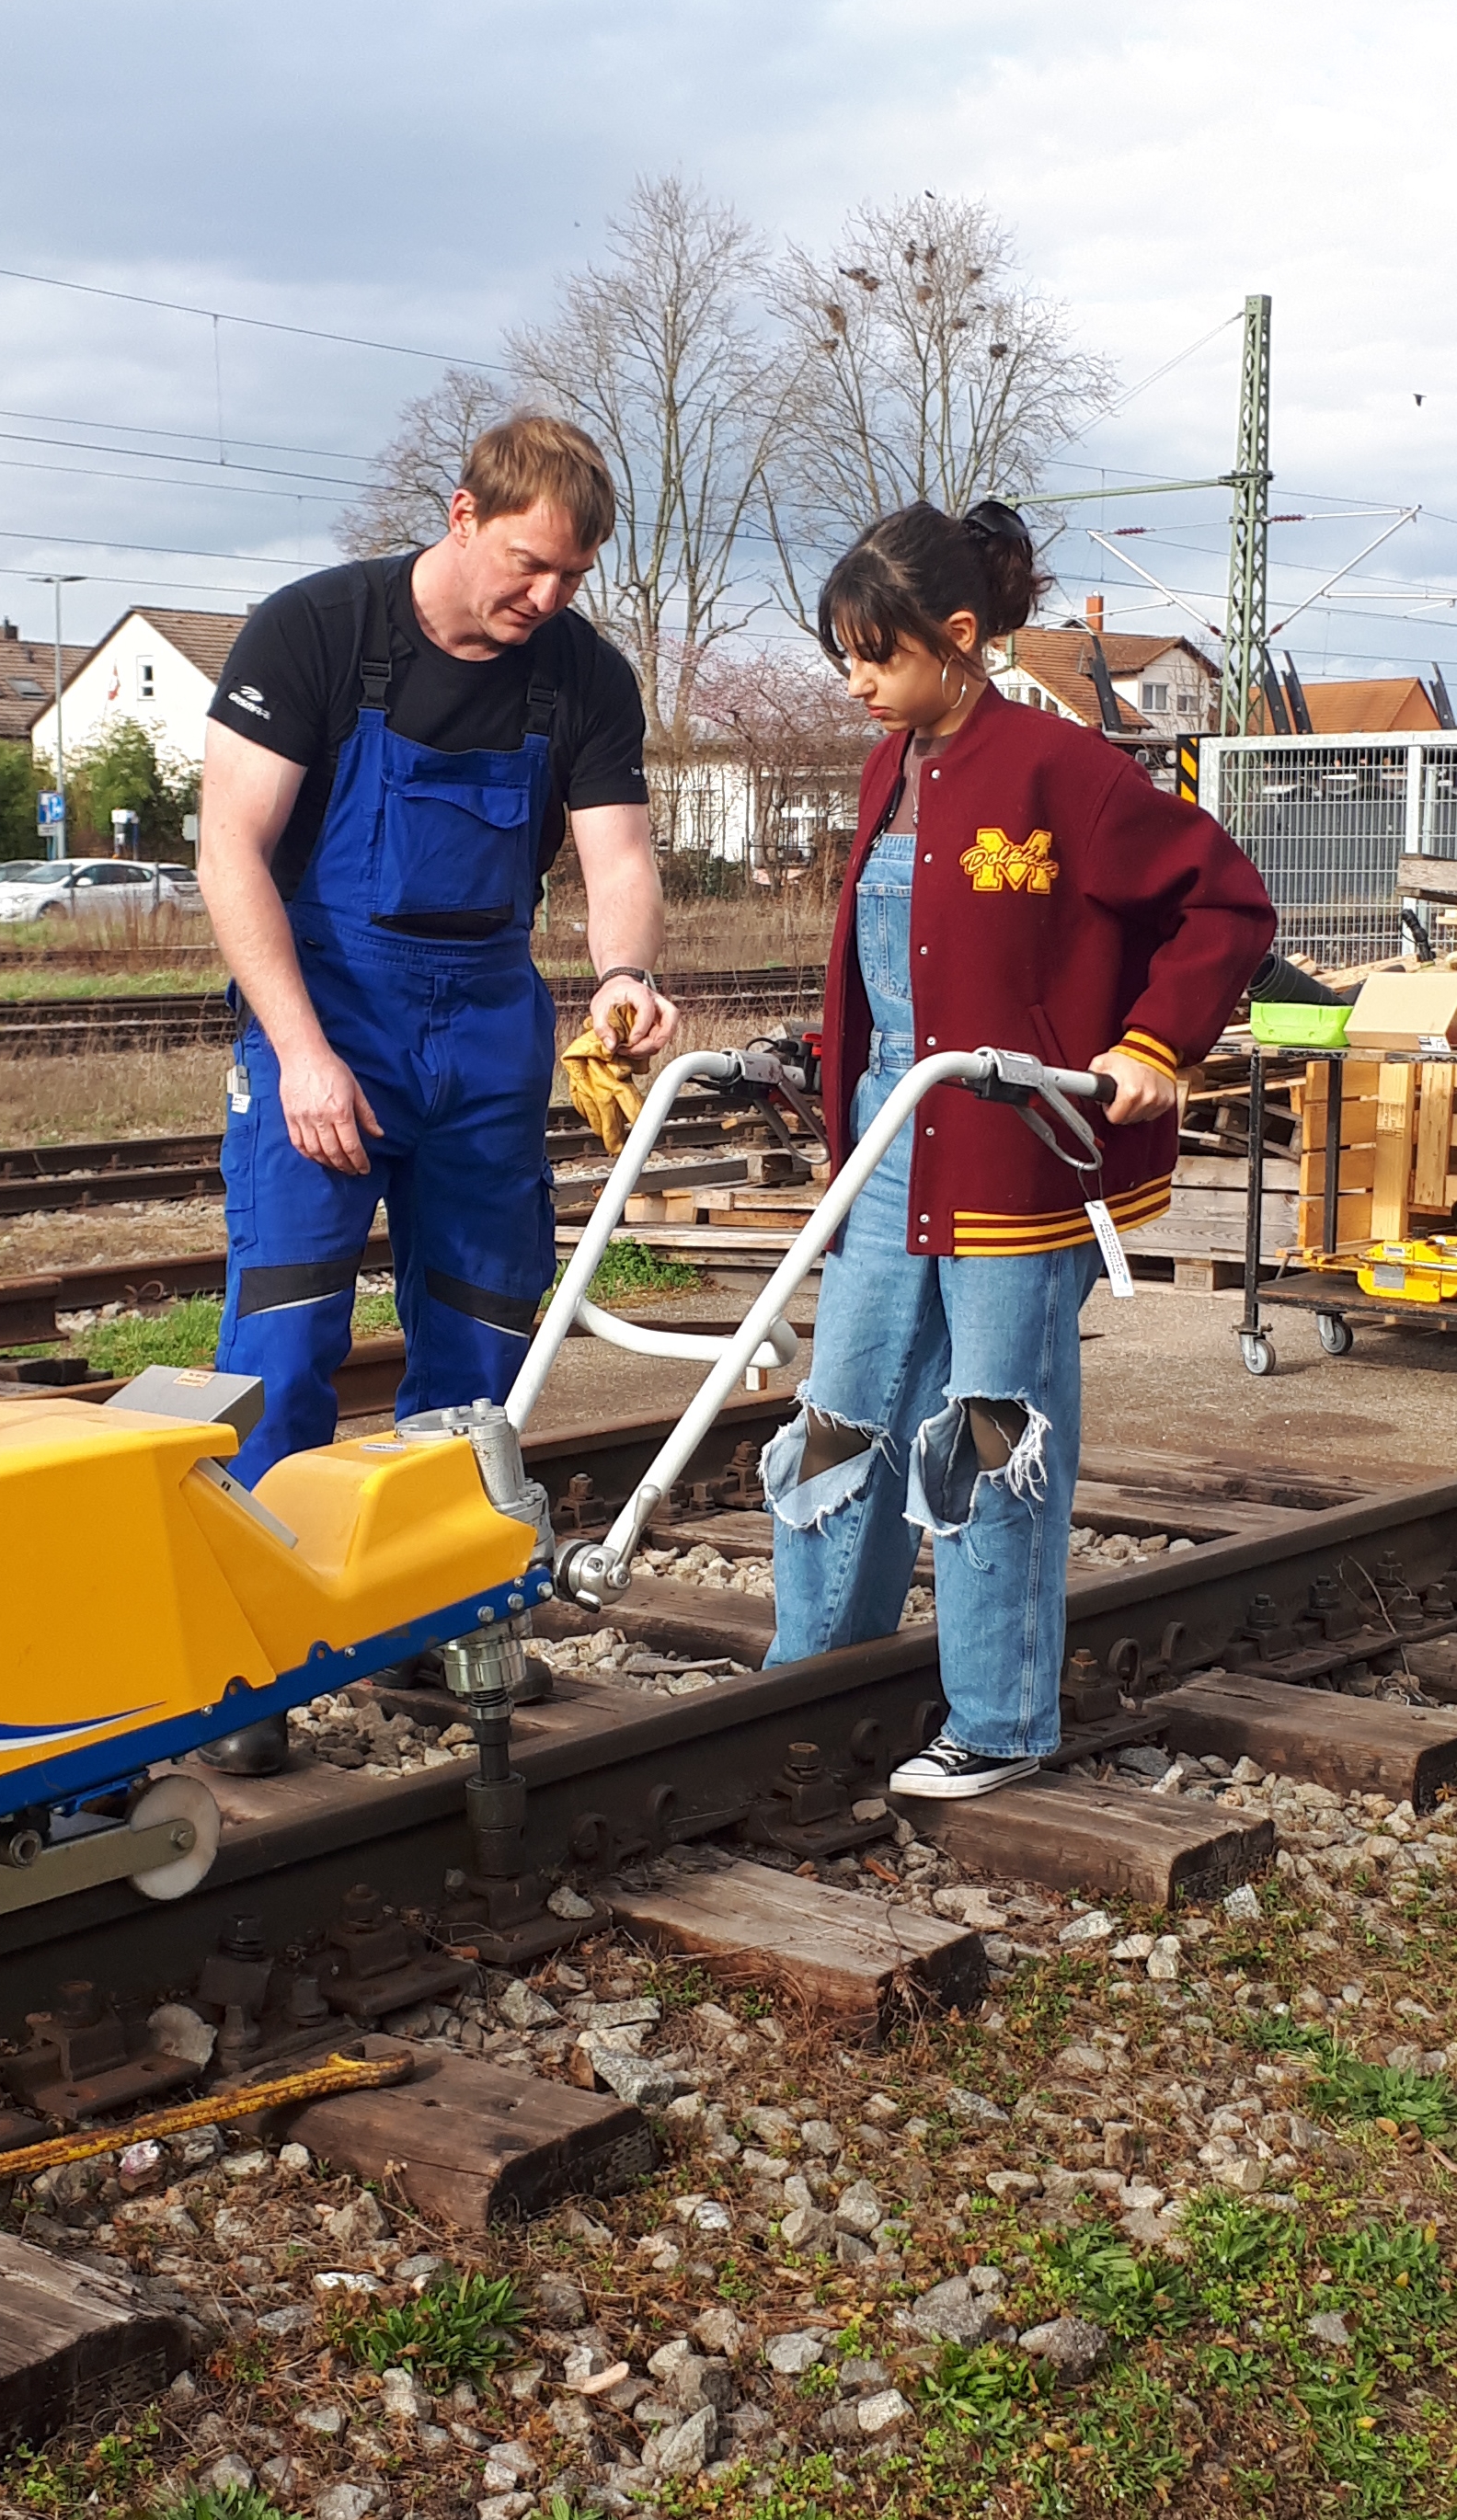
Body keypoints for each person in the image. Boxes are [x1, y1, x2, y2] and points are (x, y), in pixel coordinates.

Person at [764, 500, 1275, 1797]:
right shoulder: (885, 771)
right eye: (843, 657)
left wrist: (1154, 1044)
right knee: (843, 1411)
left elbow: (1223, 902)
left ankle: (996, 1721)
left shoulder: (1067, 773)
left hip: (1013, 1158)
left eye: (877, 656)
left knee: (990, 1428)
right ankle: (810, 1677)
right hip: (889, 1143)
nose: (856, 682)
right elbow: (900, 968)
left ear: (957, 637)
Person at [200, 415, 678, 1488]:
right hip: (328, 1014)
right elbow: (229, 852)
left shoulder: (584, 677)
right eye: (529, 563)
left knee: (481, 1341)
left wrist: (625, 976)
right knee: (284, 1332)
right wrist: (303, 1055)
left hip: (485, 1032)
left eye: (573, 575)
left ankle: (457, 1584)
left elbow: (619, 862)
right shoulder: (314, 632)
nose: (548, 597)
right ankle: (267, 1586)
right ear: (464, 515)